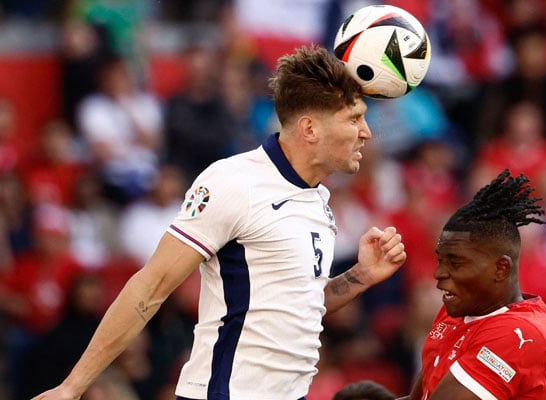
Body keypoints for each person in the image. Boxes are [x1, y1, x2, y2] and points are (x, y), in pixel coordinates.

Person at [31, 44, 407, 400]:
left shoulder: (318, 200)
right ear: (309, 128)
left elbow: (298, 307)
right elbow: (151, 287)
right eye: (355, 118)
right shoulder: (234, 182)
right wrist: (73, 386)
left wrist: (362, 276)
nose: (366, 132)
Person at [403, 169, 546, 400]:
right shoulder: (456, 309)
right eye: (441, 260)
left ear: (500, 268)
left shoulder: (521, 333)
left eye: (456, 264)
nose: (439, 273)